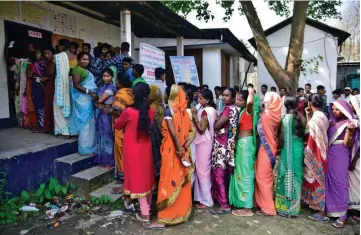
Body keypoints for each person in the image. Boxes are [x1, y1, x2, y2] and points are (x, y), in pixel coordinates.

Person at [147, 85, 195, 229]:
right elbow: (193, 133)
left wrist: (179, 152)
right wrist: (185, 148)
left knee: (168, 181)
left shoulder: (170, 111)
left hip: (172, 152)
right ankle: (181, 213)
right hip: (183, 151)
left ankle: (165, 218)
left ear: (170, 95)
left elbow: (174, 134)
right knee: (181, 181)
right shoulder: (185, 113)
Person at [114, 82, 155, 222]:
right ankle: (147, 207)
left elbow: (117, 125)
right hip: (146, 148)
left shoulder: (128, 112)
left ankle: (145, 213)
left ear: (133, 95)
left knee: (137, 179)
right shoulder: (151, 111)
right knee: (147, 177)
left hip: (132, 149)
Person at [326, 100, 358, 228]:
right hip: (330, 154)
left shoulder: (349, 124)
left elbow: (347, 144)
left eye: (337, 109)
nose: (334, 111)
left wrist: (350, 132)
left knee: (340, 183)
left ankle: (343, 215)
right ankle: (332, 209)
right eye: (333, 109)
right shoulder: (333, 123)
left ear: (344, 110)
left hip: (341, 155)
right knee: (331, 182)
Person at [229, 88, 259, 216]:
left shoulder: (248, 110)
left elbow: (250, 103)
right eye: (236, 99)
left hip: (246, 145)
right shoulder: (241, 112)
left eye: (240, 99)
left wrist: (251, 91)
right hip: (242, 145)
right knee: (241, 172)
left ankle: (247, 208)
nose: (237, 101)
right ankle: (242, 202)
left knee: (246, 174)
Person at [275, 96, 304, 217]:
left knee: (285, 175)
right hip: (298, 150)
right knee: (296, 176)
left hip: (287, 150)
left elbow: (281, 138)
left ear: (285, 106)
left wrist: (278, 148)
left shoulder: (285, 119)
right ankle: (294, 208)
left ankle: (284, 207)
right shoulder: (302, 118)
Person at [302, 94, 329, 221]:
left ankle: (320, 211)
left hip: (315, 152)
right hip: (323, 151)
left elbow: (308, 134)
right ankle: (314, 204)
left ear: (309, 104)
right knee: (317, 179)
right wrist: (308, 116)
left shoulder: (314, 120)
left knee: (317, 179)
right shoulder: (323, 116)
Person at [211, 87, 238, 215]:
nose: (224, 97)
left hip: (222, 146)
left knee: (219, 175)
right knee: (224, 175)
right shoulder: (234, 109)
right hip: (228, 145)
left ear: (233, 98)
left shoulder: (228, 110)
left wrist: (216, 124)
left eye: (227, 95)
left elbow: (216, 125)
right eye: (223, 95)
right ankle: (223, 200)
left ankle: (224, 204)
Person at [255, 92, 282, 216]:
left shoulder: (266, 115)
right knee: (267, 178)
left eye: (266, 102)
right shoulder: (277, 115)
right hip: (272, 147)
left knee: (262, 178)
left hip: (265, 149)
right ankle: (263, 203)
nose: (264, 104)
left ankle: (268, 208)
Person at [191, 89, 217, 209]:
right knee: (201, 170)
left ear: (208, 100)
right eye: (198, 98)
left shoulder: (205, 111)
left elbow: (201, 129)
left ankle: (207, 200)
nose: (198, 100)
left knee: (202, 171)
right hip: (206, 141)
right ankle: (202, 197)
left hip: (204, 142)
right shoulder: (211, 110)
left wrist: (195, 116)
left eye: (201, 98)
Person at [69, 52, 98, 155]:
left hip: (87, 99)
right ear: (78, 59)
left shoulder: (83, 70)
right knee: (85, 125)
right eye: (83, 59)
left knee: (89, 124)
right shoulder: (77, 70)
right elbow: (76, 85)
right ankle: (85, 149)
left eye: (87, 60)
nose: (86, 61)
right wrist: (90, 92)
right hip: (83, 100)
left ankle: (90, 146)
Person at [109, 74, 134, 194]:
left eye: (116, 80)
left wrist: (108, 110)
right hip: (129, 127)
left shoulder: (120, 94)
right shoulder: (130, 92)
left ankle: (123, 177)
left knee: (120, 150)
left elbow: (117, 112)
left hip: (120, 126)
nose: (115, 82)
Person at [94, 68, 117, 167]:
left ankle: (109, 161)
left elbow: (99, 100)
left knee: (107, 137)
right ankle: (103, 158)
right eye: (104, 76)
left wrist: (98, 103)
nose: (105, 78)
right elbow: (96, 102)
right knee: (101, 136)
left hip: (107, 116)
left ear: (112, 77)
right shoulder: (102, 87)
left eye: (108, 76)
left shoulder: (111, 88)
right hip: (101, 114)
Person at [148, 85, 165, 179]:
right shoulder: (161, 105)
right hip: (162, 134)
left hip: (155, 135)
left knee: (154, 157)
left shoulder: (151, 108)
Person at [54, 50, 71, 137]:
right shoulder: (66, 58)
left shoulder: (58, 57)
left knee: (58, 109)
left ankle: (64, 131)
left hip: (61, 86)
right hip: (62, 85)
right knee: (59, 109)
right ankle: (64, 131)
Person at [29, 49, 47, 132]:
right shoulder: (48, 63)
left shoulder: (36, 64)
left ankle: (41, 127)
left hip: (38, 86)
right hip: (46, 86)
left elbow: (29, 75)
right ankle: (47, 126)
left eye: (38, 53)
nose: (36, 55)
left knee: (39, 106)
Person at [349, 95, 360, 213]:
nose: (350, 106)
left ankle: (357, 208)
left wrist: (354, 160)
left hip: (357, 156)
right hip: (355, 154)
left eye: (352, 103)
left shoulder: (356, 122)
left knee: (357, 181)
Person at [42, 47, 56, 134]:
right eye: (45, 54)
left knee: (53, 105)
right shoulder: (46, 63)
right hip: (48, 85)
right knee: (48, 106)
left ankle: (54, 127)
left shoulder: (55, 62)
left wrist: (47, 78)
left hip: (54, 85)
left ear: (53, 53)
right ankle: (49, 128)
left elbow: (51, 73)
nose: (47, 55)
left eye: (48, 53)